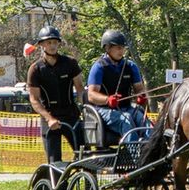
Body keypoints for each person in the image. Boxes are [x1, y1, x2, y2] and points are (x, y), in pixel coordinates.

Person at [25, 24, 85, 162]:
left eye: (55, 42)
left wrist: (86, 108)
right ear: (42, 45)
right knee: (54, 162)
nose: (52, 46)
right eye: (49, 42)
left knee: (85, 155)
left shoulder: (70, 63)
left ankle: (84, 175)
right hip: (50, 118)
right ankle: (57, 176)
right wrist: (49, 118)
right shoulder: (35, 69)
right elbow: (34, 99)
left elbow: (80, 89)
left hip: (71, 115)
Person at [86, 29, 150, 140]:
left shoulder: (131, 66)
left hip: (127, 108)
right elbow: (91, 95)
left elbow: (139, 89)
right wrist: (107, 100)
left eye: (123, 48)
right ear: (107, 48)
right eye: (118, 48)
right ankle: (134, 150)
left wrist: (141, 96)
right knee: (126, 120)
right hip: (103, 110)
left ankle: (152, 148)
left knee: (144, 121)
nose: (122, 51)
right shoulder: (99, 67)